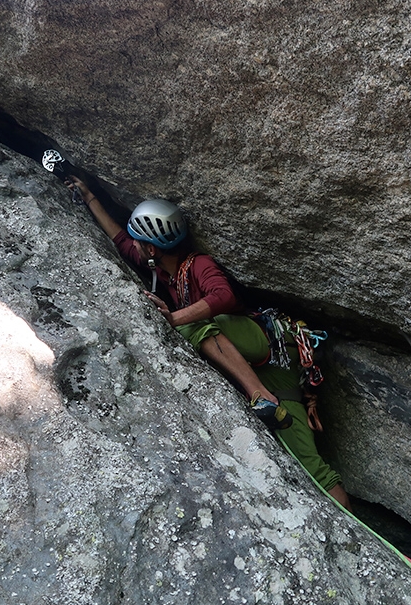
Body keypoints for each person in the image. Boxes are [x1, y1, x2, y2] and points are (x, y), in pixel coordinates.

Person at [68, 177, 352, 511]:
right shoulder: (161, 270)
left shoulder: (198, 264)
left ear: (153, 248)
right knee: (311, 465)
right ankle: (269, 401)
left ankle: (258, 394)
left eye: (140, 241)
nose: (135, 246)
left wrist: (174, 318)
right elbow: (120, 240)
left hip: (264, 343)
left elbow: (224, 295)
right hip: (275, 373)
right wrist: (89, 198)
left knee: (197, 325)